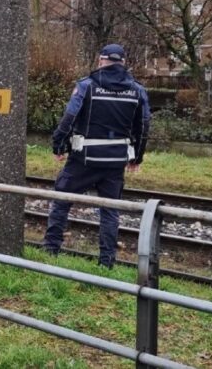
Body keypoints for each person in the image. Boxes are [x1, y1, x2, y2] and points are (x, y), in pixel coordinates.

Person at [42, 44, 151, 268]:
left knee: (62, 200)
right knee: (110, 211)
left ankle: (50, 250)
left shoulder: (87, 86)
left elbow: (69, 117)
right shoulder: (137, 90)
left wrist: (58, 146)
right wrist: (136, 157)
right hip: (115, 162)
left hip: (83, 159)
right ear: (123, 62)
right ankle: (107, 262)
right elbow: (144, 125)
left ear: (101, 60)